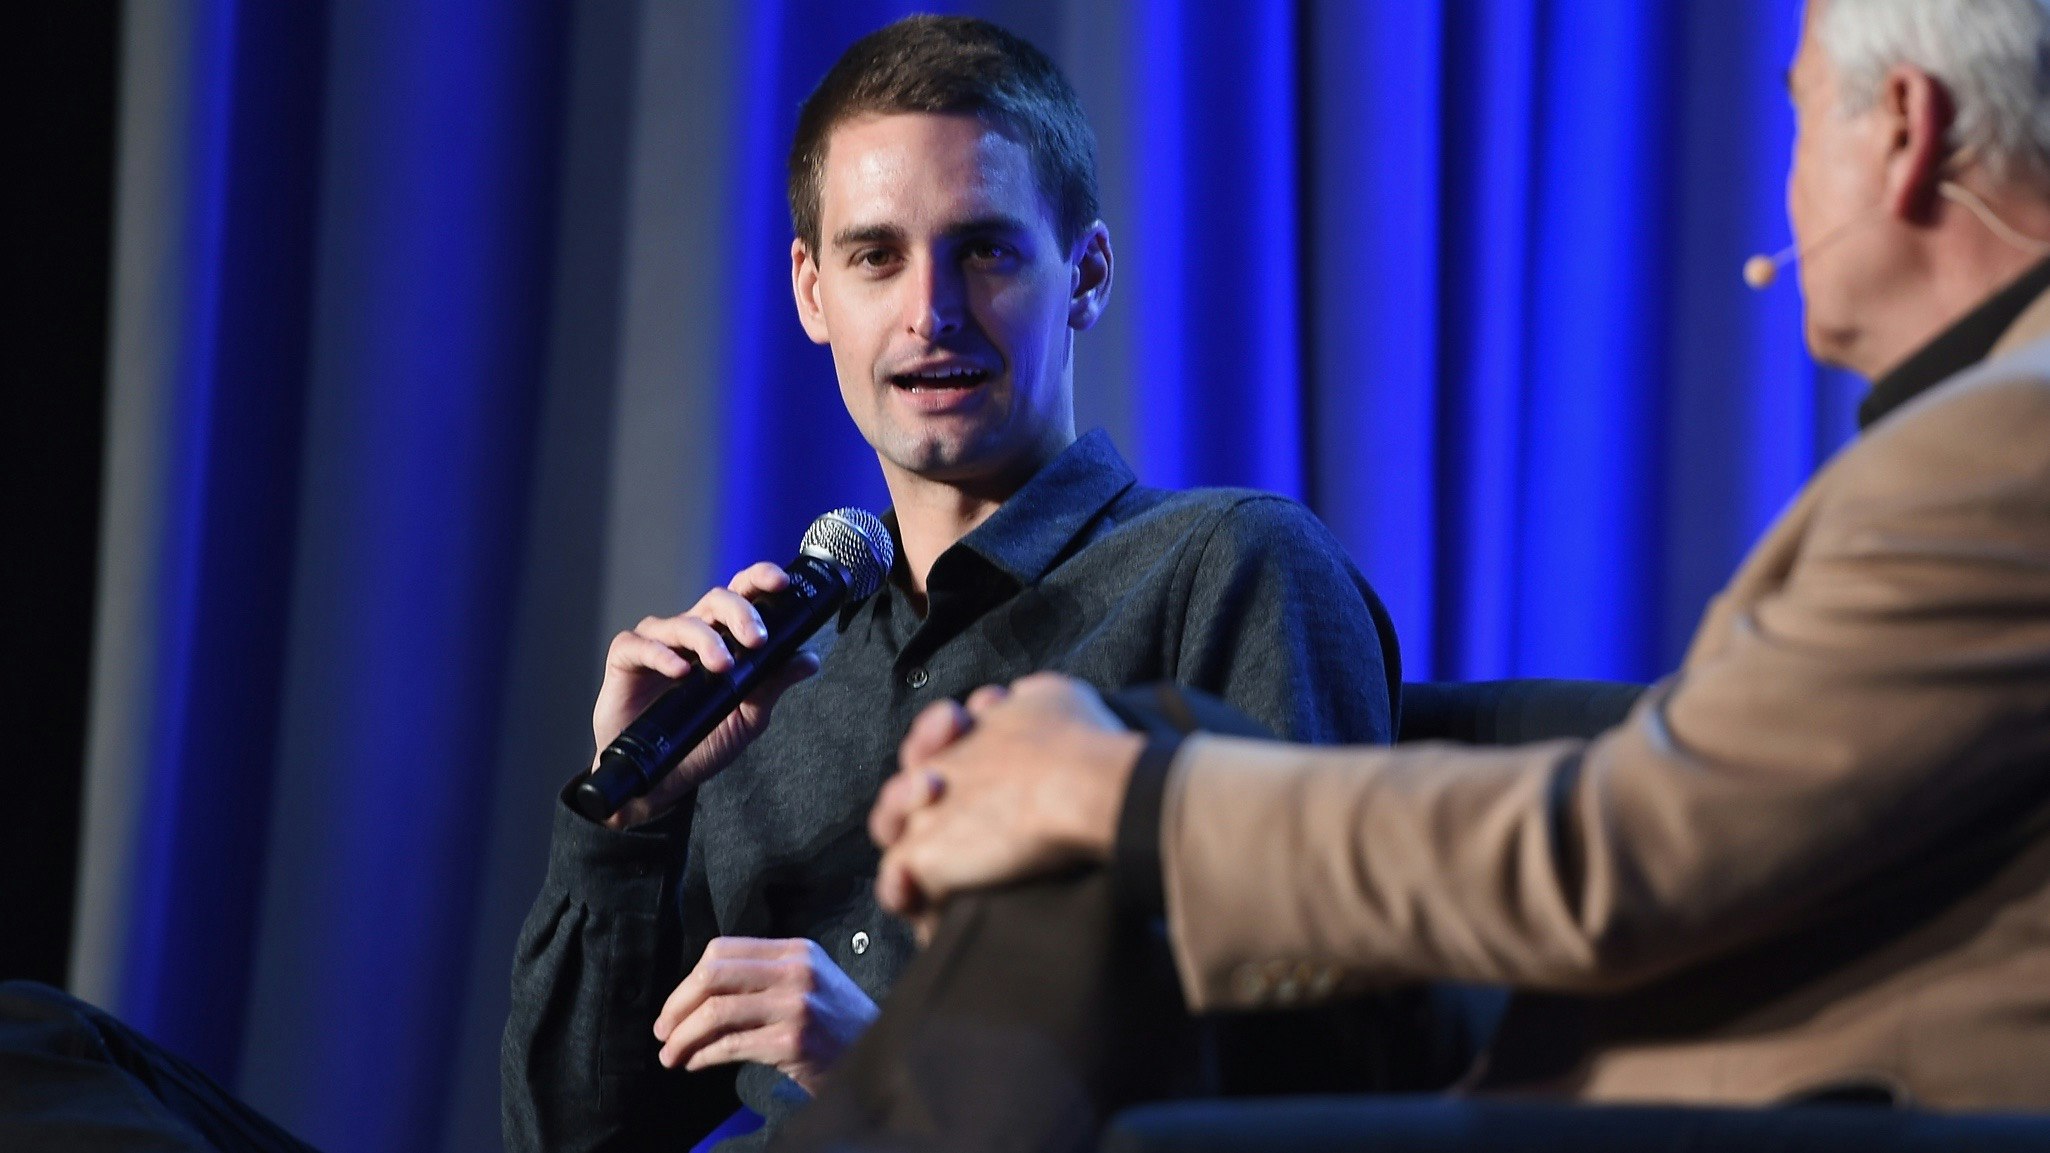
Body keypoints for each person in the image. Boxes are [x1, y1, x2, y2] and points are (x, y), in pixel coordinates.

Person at [786, 0, 2050, 1147]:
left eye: (1793, 112)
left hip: (1769, 1110)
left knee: (1114, 766)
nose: (929, 310)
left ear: (1900, 128)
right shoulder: (1981, 443)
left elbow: (1626, 857)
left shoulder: (2003, 447)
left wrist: (1131, 794)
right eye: (874, 257)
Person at [499, 15, 1402, 1153]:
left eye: (984, 249)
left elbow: (1307, 1092)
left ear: (1084, 275)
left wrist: (895, 1069)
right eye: (876, 255)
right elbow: (566, 1139)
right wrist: (628, 820)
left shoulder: (1231, 569)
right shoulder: (766, 678)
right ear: (812, 290)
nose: (931, 310)